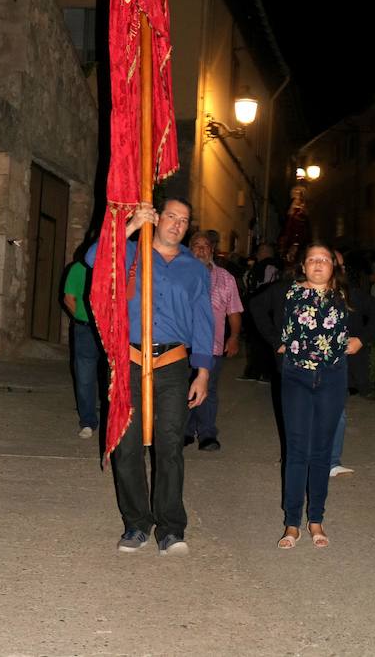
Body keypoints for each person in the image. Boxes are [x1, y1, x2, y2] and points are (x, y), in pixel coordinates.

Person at [86, 197, 214, 556]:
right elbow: (93, 259)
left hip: (172, 364)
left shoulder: (195, 269)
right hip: (128, 359)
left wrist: (202, 372)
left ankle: (171, 527)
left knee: (169, 445)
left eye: (184, 220)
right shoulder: (131, 251)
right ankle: (136, 524)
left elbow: (205, 322)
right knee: (126, 445)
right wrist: (129, 226)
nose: (177, 224)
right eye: (171, 216)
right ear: (157, 218)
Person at [251, 243, 355, 549]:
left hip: (332, 378)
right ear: (304, 266)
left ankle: (317, 519)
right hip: (296, 376)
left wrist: (360, 340)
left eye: (324, 260)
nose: (319, 265)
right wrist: (275, 342)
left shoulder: (344, 295)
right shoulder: (288, 291)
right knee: (297, 451)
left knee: (322, 451)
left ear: (333, 266)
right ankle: (292, 523)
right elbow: (256, 307)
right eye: (312, 260)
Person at [328, 250, 375, 476]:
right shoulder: (302, 292)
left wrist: (361, 340)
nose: (337, 269)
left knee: (338, 413)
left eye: (341, 265)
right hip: (306, 364)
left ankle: (331, 462)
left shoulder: (350, 295)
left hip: (338, 365)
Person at [185, 232, 243, 451]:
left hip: (213, 345)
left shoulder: (226, 278)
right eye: (195, 246)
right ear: (189, 249)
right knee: (183, 388)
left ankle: (207, 433)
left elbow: (234, 311)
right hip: (182, 345)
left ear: (212, 250)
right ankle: (186, 431)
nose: (200, 250)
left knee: (208, 388)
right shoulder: (181, 275)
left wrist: (234, 336)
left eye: (205, 246)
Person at [63, 254, 105, 438]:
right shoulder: (78, 269)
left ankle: (114, 420)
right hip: (85, 330)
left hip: (109, 330)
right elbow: (69, 298)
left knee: (112, 376)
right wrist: (81, 317)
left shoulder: (115, 268)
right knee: (85, 376)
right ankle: (88, 421)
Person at [237, 243, 280, 382]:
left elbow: (267, 287)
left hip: (264, 308)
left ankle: (264, 372)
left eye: (259, 251)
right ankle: (254, 371)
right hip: (255, 306)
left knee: (263, 339)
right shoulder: (257, 267)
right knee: (254, 339)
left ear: (265, 251)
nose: (257, 254)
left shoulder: (270, 267)